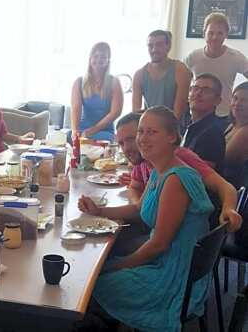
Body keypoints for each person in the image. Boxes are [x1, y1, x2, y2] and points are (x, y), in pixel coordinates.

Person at [79, 107, 214, 332]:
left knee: (91, 283)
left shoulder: (176, 179)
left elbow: (158, 245)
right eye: (141, 132)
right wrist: (99, 211)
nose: (142, 138)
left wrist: (119, 265)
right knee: (95, 273)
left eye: (151, 132)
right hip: (167, 262)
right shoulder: (159, 169)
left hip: (173, 277)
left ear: (172, 136)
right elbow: (137, 208)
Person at [116, 111, 241, 231]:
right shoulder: (143, 160)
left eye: (131, 139)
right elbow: (134, 187)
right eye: (121, 143)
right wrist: (140, 208)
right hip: (156, 227)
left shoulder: (178, 157)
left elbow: (225, 186)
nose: (126, 148)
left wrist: (229, 209)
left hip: (190, 235)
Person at [184, 12, 248, 122]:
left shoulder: (236, 57)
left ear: (226, 35)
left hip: (223, 116)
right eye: (211, 33)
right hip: (196, 115)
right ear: (204, 33)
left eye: (220, 33)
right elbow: (182, 83)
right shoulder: (193, 57)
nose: (215, 37)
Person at [132, 30, 191, 119]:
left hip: (174, 124)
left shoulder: (181, 70)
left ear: (168, 46)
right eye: (150, 46)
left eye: (159, 45)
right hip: (149, 123)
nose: (154, 49)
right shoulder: (139, 75)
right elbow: (136, 113)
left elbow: (178, 114)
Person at [70, 42, 123, 141]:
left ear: (108, 60)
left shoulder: (114, 82)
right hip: (83, 130)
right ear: (90, 59)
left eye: (103, 57)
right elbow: (76, 108)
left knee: (101, 140)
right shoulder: (79, 82)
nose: (99, 59)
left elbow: (116, 112)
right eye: (95, 56)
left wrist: (92, 130)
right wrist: (75, 131)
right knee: (66, 136)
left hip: (104, 131)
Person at [182, 73, 225, 169]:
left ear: (217, 100)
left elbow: (201, 174)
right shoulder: (185, 124)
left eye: (206, 90)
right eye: (195, 88)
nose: (198, 93)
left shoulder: (213, 133)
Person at [224, 82, 248, 187]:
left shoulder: (245, 132)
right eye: (235, 98)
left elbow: (221, 159)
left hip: (231, 186)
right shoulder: (232, 125)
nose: (237, 103)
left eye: (244, 100)